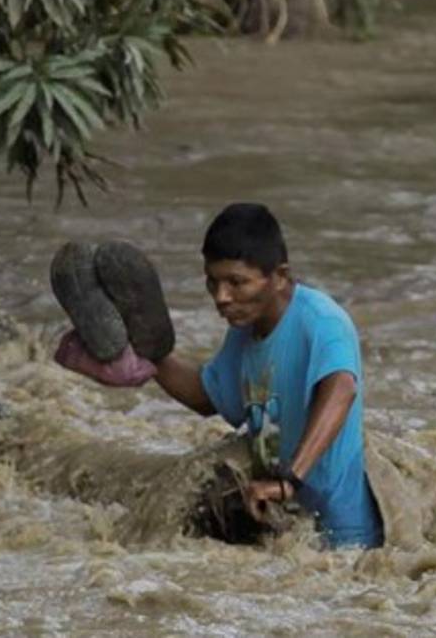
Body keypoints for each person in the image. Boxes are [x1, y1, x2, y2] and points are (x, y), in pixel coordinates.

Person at [152, 202, 384, 548]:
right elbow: (205, 397)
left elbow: (342, 389)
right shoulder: (244, 331)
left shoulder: (322, 321)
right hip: (283, 524)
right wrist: (148, 355)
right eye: (212, 282)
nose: (221, 297)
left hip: (346, 536)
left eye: (236, 282)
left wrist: (289, 479)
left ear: (279, 276)